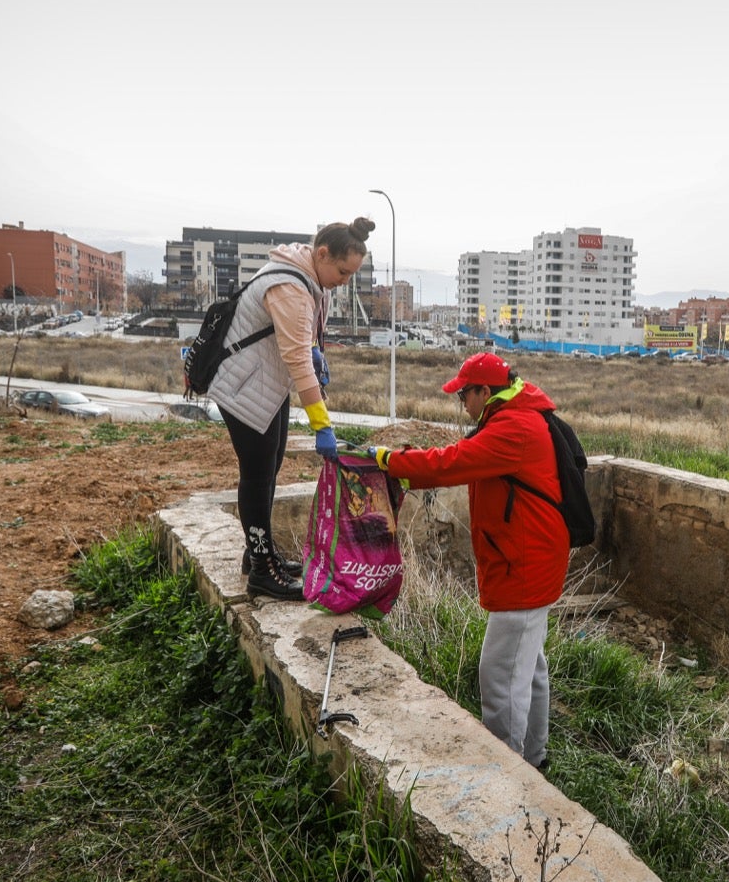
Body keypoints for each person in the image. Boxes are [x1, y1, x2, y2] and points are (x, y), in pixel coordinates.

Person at [363, 352, 568, 770]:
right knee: (527, 667)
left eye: (464, 396)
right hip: (530, 557)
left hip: (523, 565)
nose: (462, 404)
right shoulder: (518, 414)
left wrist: (390, 461)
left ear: (485, 392)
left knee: (499, 674)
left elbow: (452, 462)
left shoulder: (513, 428)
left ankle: (509, 773)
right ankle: (535, 759)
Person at [209, 218, 371, 599]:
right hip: (244, 385)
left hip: (264, 382)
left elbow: (301, 341)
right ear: (322, 254)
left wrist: (316, 354)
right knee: (257, 473)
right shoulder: (291, 287)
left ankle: (260, 555)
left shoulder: (309, 279)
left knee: (270, 468)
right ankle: (262, 571)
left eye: (352, 275)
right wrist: (322, 425)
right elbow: (297, 358)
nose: (345, 281)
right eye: (343, 271)